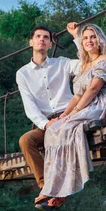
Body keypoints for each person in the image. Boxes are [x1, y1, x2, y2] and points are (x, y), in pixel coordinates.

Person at [35, 24, 106, 210]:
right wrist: (64, 114)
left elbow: (94, 88)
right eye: (86, 38)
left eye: (93, 37)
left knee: (68, 128)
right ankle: (51, 187)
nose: (89, 41)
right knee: (53, 130)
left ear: (100, 40)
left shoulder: (105, 60)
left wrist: (74, 114)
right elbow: (76, 95)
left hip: (103, 103)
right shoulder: (83, 65)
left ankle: (65, 190)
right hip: (86, 103)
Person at [16, 24, 80, 201]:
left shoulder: (62, 63)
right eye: (38, 37)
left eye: (46, 38)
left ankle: (60, 192)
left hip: (69, 115)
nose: (42, 40)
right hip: (48, 122)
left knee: (63, 137)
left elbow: (85, 65)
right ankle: (46, 186)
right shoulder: (22, 74)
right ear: (31, 42)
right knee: (26, 140)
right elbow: (29, 106)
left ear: (50, 44)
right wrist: (45, 124)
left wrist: (77, 37)